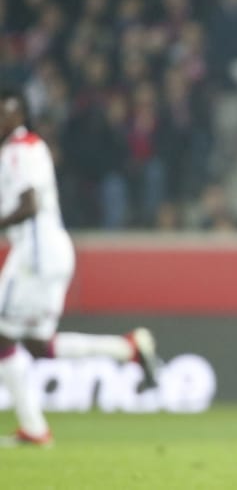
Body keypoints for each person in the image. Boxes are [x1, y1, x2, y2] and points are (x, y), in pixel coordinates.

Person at [0, 88, 160, 447]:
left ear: (20, 116)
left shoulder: (18, 150)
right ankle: (128, 349)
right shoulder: (26, 149)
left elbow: (28, 205)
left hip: (35, 254)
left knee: (2, 335)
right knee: (38, 345)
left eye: (4, 113)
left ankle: (35, 429)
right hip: (49, 250)